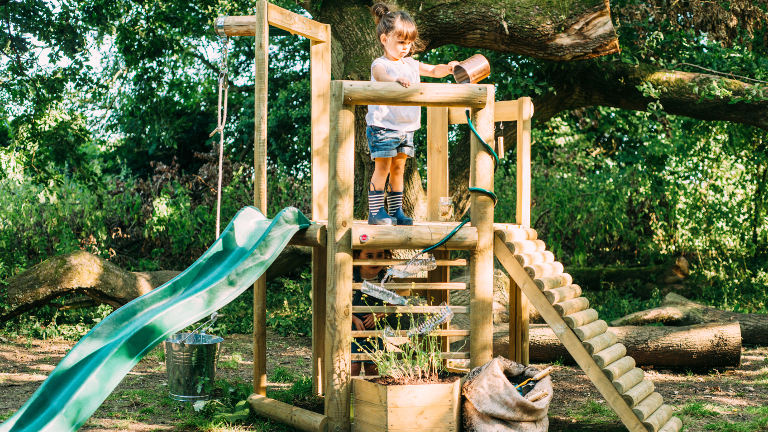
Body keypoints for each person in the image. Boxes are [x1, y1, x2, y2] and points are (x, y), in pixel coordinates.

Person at [366, 2, 459, 226]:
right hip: (384, 126)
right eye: (401, 42)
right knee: (383, 167)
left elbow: (433, 70)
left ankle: (396, 211)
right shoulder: (381, 63)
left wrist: (448, 68)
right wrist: (394, 80)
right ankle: (376, 212)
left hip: (406, 127)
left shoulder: (410, 63)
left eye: (409, 43)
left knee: (399, 169)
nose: (406, 47)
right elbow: (379, 76)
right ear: (384, 39)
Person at [351, 249, 391, 376]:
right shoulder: (351, 277)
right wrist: (354, 319)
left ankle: (370, 394)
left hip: (374, 328)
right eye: (369, 255)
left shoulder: (385, 278)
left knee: (373, 365)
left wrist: (379, 315)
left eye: (380, 255)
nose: (375, 260)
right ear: (358, 256)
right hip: (352, 328)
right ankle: (351, 395)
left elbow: (393, 302)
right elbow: (340, 304)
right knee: (353, 365)